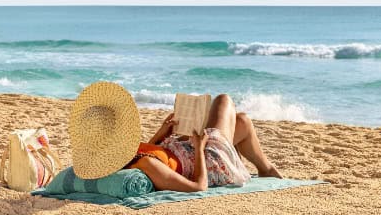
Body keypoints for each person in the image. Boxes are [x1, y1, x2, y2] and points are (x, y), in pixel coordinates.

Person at [69, 81, 281, 192]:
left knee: (241, 120)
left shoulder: (123, 156)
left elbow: (142, 155)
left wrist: (160, 135)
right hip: (208, 161)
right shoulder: (147, 165)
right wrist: (198, 147)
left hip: (185, 150)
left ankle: (265, 169)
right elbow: (199, 186)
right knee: (224, 101)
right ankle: (266, 169)